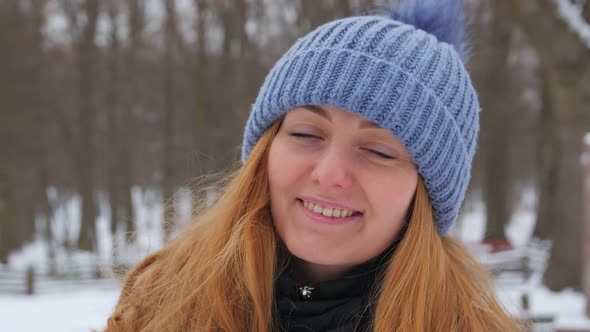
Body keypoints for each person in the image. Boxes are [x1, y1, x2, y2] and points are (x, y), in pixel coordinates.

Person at [106, 0, 523, 331]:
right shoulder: (160, 311)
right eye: (306, 135)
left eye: (378, 151)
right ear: (265, 151)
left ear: (428, 191)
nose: (329, 174)